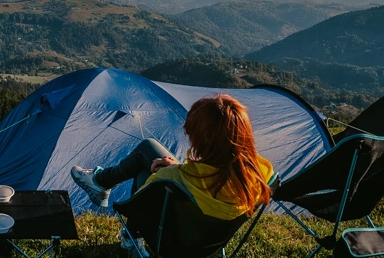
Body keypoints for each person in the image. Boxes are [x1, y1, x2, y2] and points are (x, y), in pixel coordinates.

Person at [71, 94, 274, 224]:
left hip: (168, 238)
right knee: (148, 147)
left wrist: (169, 172)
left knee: (145, 167)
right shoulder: (259, 174)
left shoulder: (170, 178)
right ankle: (101, 182)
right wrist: (179, 169)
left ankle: (128, 230)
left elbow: (140, 203)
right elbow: (210, 179)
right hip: (208, 242)